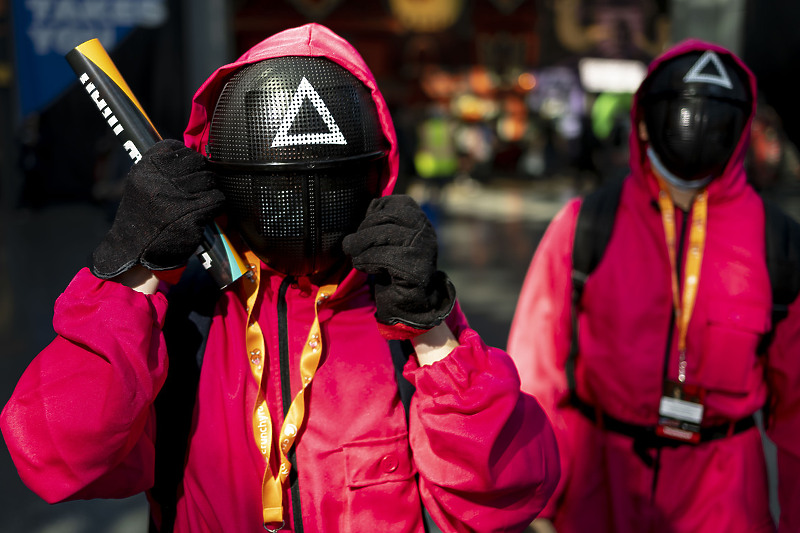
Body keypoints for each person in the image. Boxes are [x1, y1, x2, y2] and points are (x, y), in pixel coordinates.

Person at [1, 24, 560, 533]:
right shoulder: (185, 314)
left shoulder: (400, 307)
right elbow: (55, 455)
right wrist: (133, 272)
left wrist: (433, 334)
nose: (298, 200)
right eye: (277, 180)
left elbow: (505, 494)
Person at [508, 39, 800, 533]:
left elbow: (796, 410)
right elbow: (537, 371)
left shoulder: (778, 243)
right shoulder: (585, 225)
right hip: (600, 483)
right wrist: (540, 498)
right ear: (643, 120)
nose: (696, 128)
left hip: (723, 495)